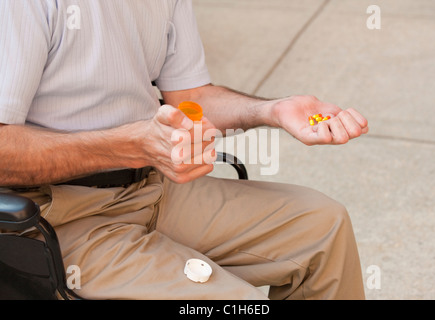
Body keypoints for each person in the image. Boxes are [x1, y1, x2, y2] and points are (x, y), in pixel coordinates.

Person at [0, 1, 368, 299]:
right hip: (60, 215)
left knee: (323, 226)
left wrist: (271, 110)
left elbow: (190, 98)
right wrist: (131, 145)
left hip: (153, 186)